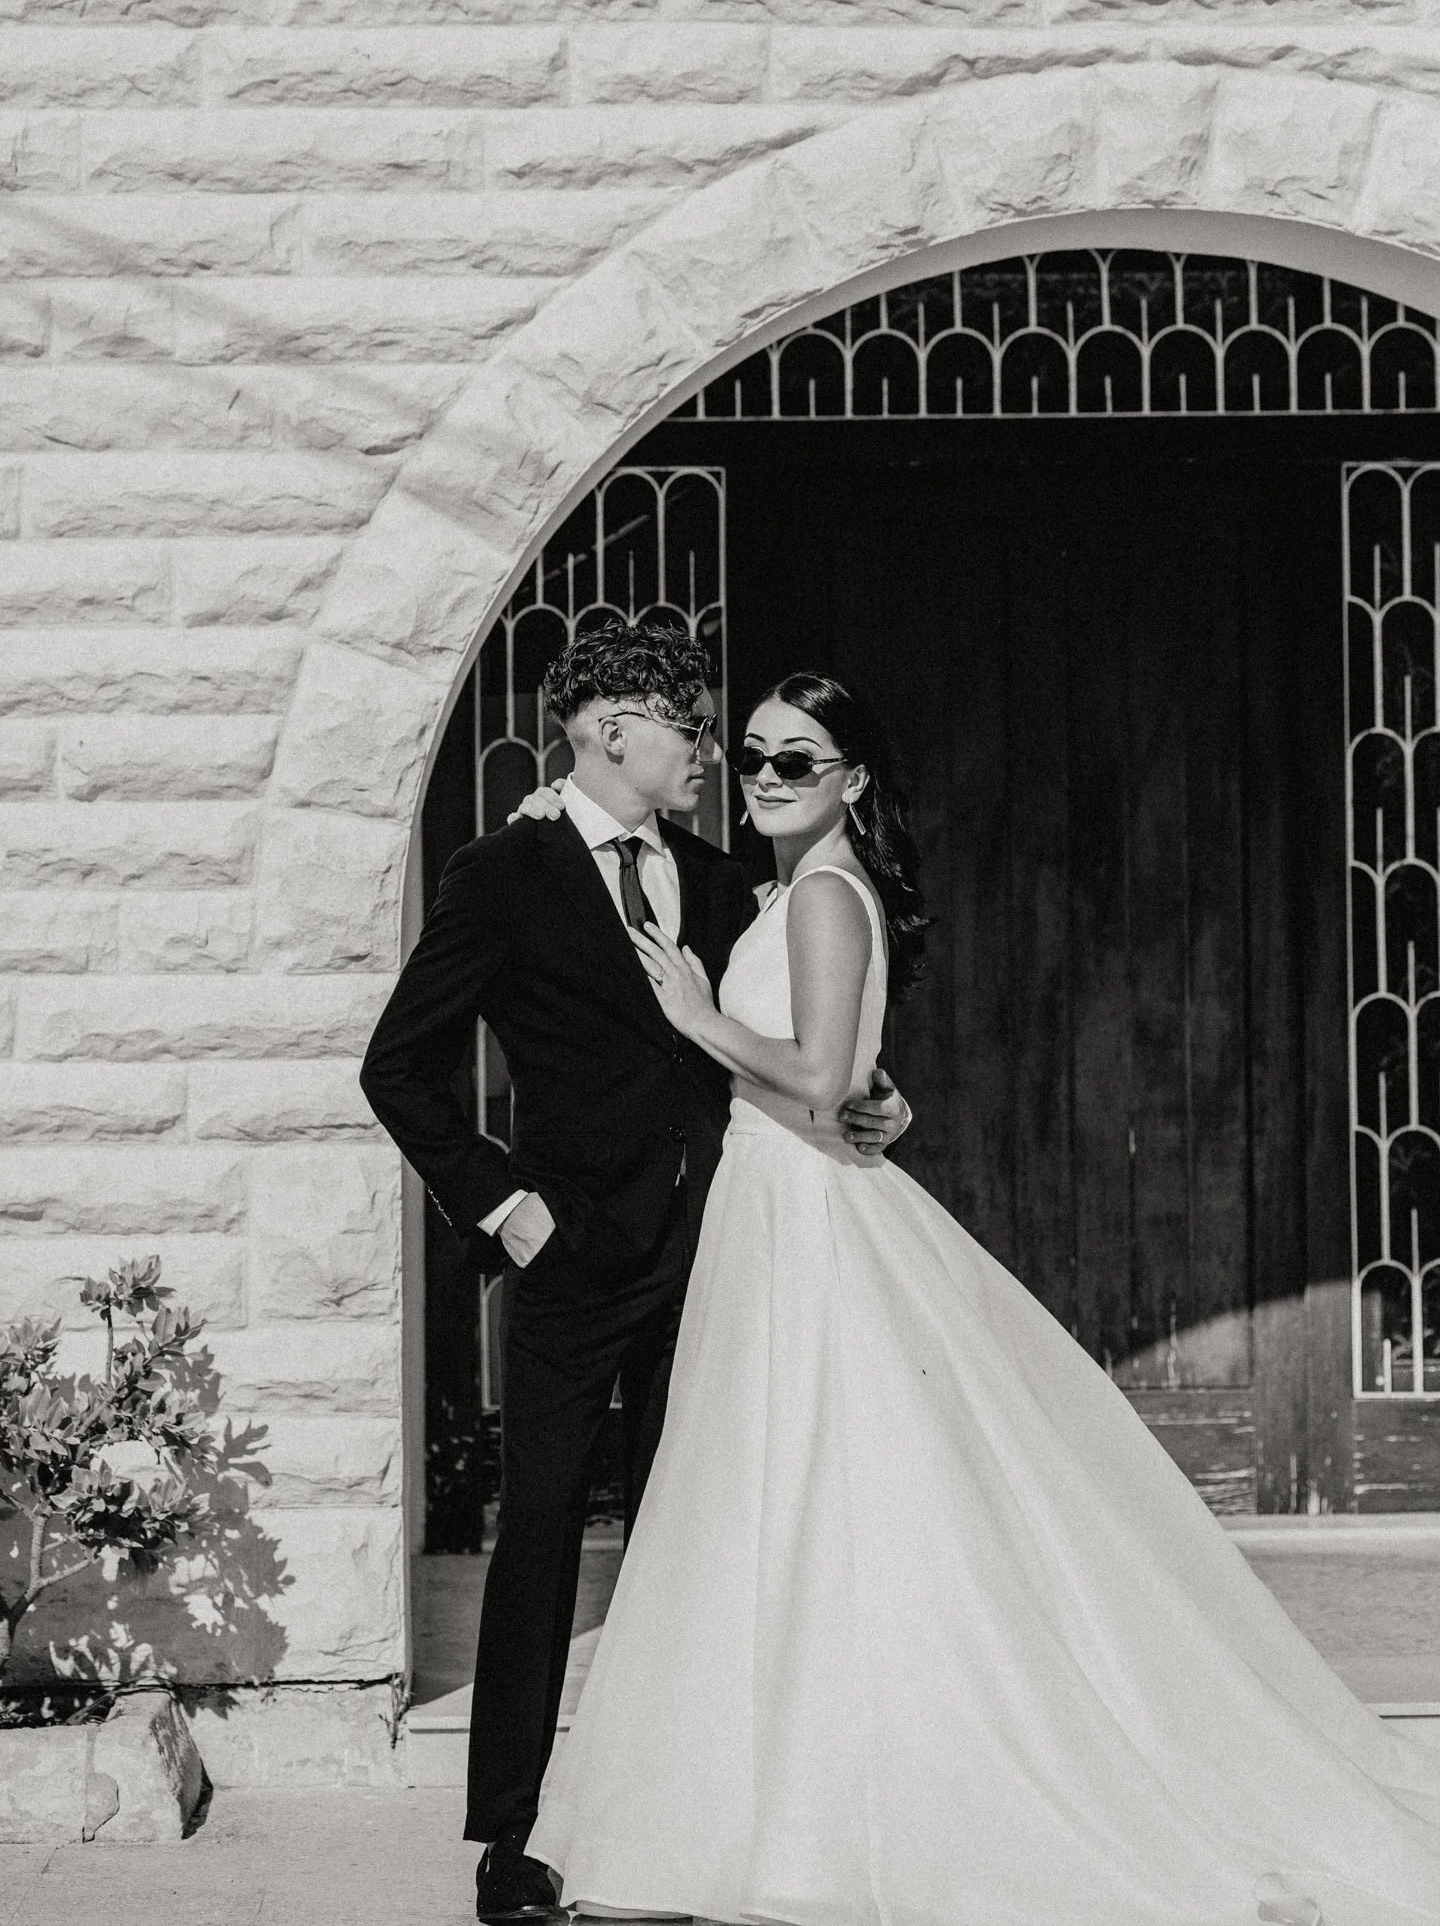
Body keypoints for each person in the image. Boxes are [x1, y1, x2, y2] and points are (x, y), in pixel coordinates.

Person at [529, 671, 1440, 1926]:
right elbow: (860, 1080)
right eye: (751, 754)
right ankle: (769, 1804)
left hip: (808, 1215)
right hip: (775, 1205)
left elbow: (817, 1074)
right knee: (777, 1502)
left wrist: (696, 1017)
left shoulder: (827, 896)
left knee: (824, 1495)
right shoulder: (789, 890)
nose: (764, 778)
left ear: (853, 779)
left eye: (799, 761)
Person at [358, 627, 910, 1926]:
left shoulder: (719, 882)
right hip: (567, 1259)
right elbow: (398, 1067)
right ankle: (509, 1837)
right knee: (541, 1532)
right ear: (609, 727)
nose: (710, 757)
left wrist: (879, 1099)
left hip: (715, 1257)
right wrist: (500, 1203)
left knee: (700, 1537)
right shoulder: (503, 875)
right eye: (689, 731)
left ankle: (695, 1810)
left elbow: (789, 1043)